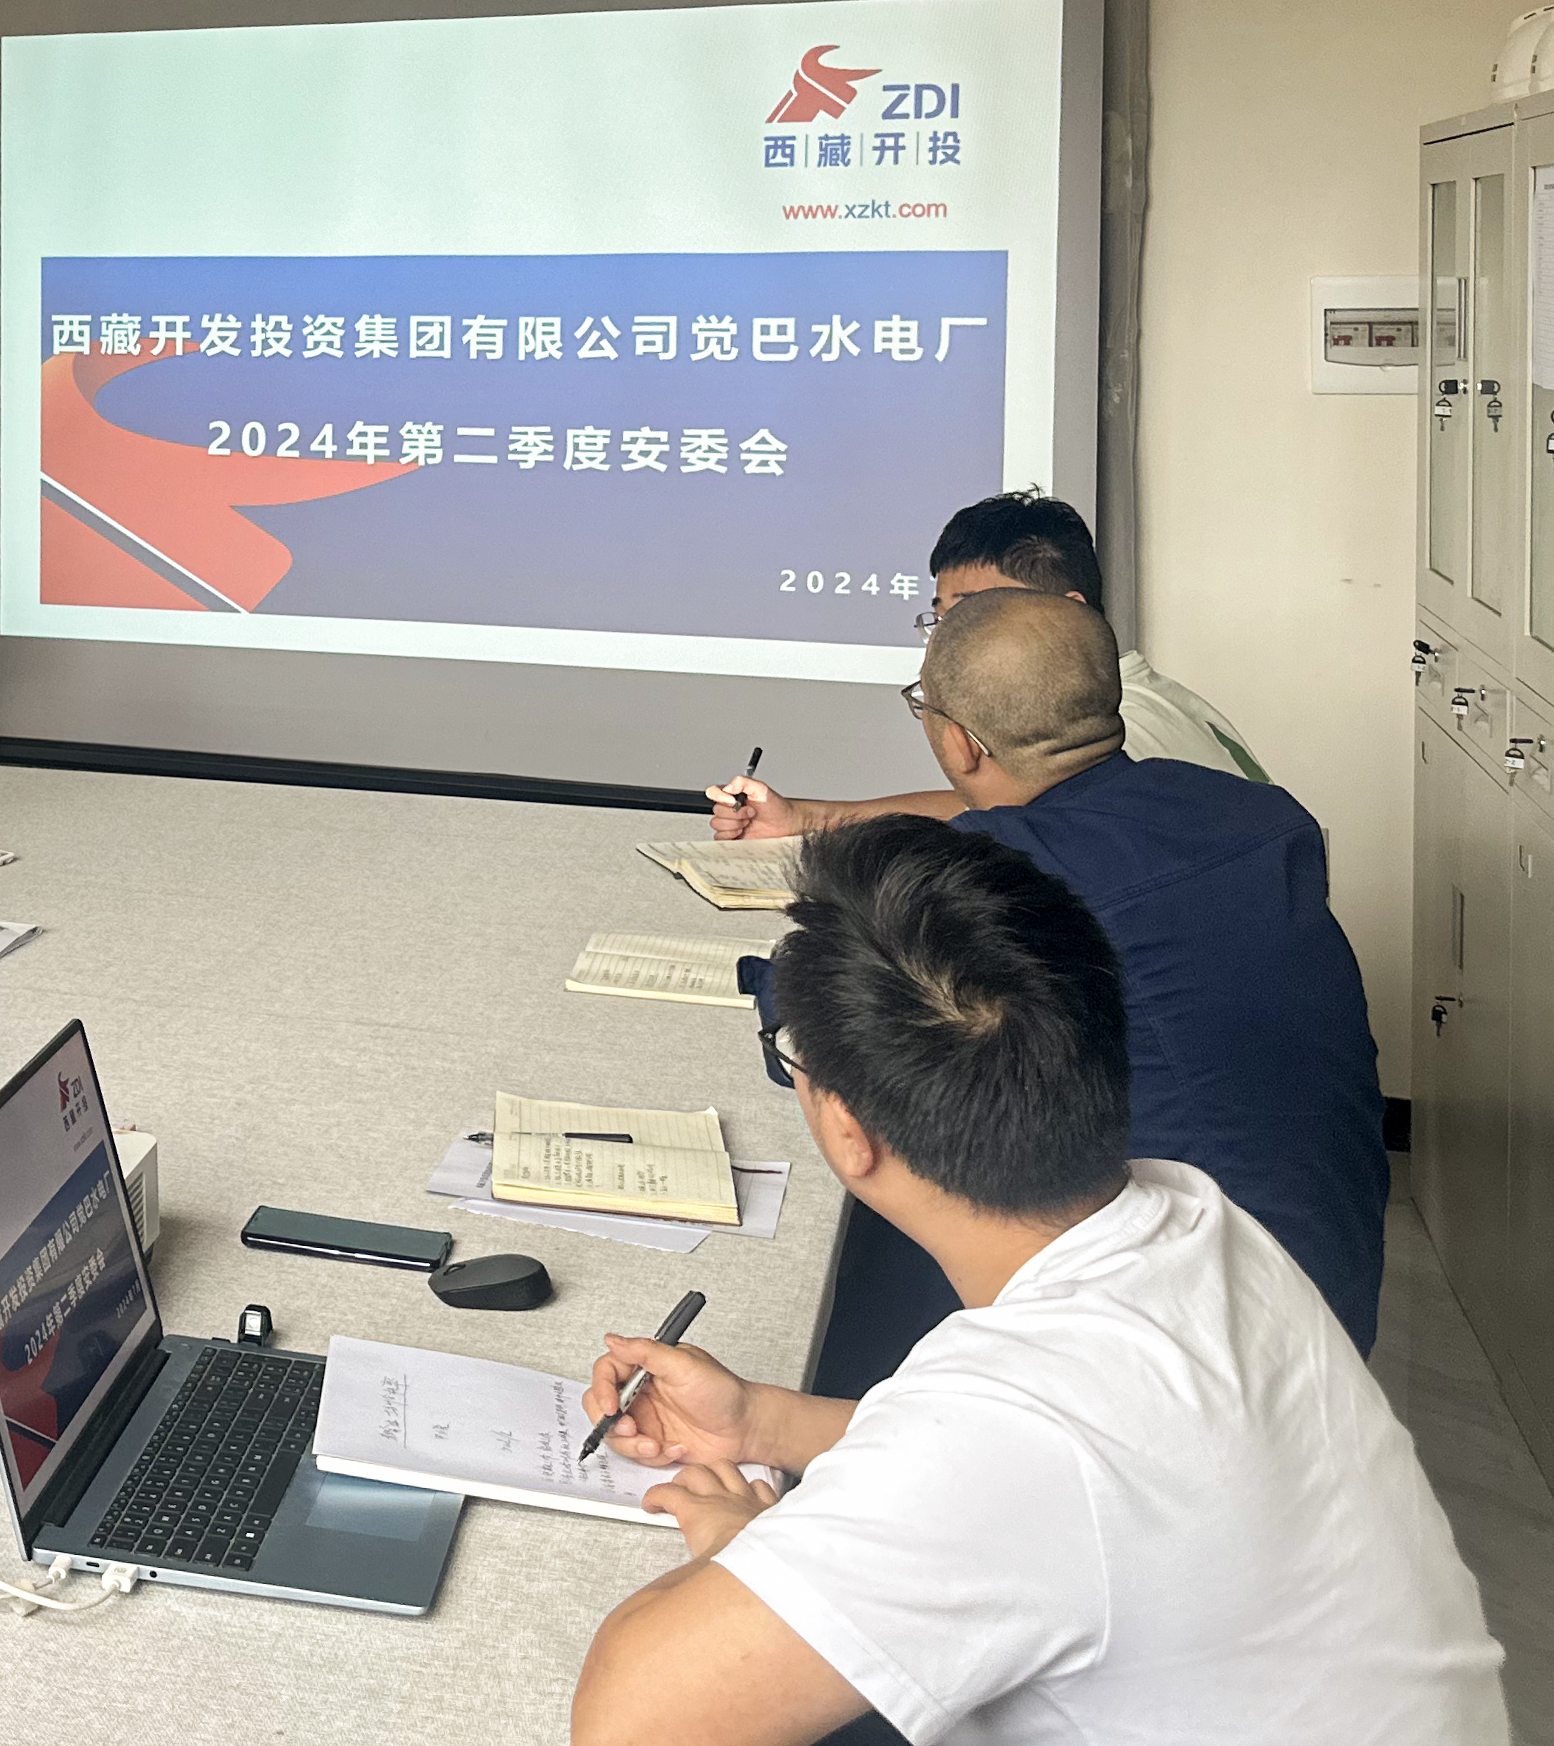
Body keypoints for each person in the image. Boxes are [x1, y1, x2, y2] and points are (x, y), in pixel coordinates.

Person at [570, 816, 1502, 1746]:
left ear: (850, 1131)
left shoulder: (1017, 1424)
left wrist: (753, 1553)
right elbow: (1064, 1481)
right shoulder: (1196, 1224)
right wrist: (761, 1422)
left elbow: (630, 1723)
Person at [753, 590, 1388, 1396]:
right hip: (1328, 1279)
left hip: (1190, 1343)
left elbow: (830, 1015)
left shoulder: (1009, 875)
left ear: (959, 742)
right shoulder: (1251, 813)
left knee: (886, 1196)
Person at [708, 489, 1266, 841]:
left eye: (975, 612)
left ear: (1068, 610)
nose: (948, 641)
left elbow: (999, 816)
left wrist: (815, 820)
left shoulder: (1127, 726)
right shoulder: (1139, 697)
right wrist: (806, 818)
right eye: (940, 618)